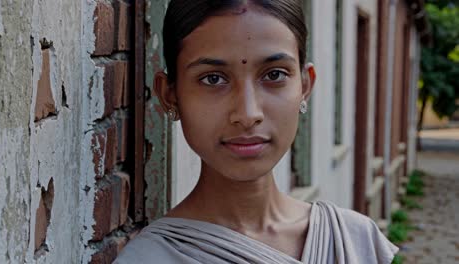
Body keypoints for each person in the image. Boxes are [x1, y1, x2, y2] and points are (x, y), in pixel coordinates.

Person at [115, 0, 398, 263]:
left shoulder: (355, 241)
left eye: (274, 74)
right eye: (213, 79)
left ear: (304, 86)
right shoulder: (150, 258)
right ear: (170, 95)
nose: (248, 114)